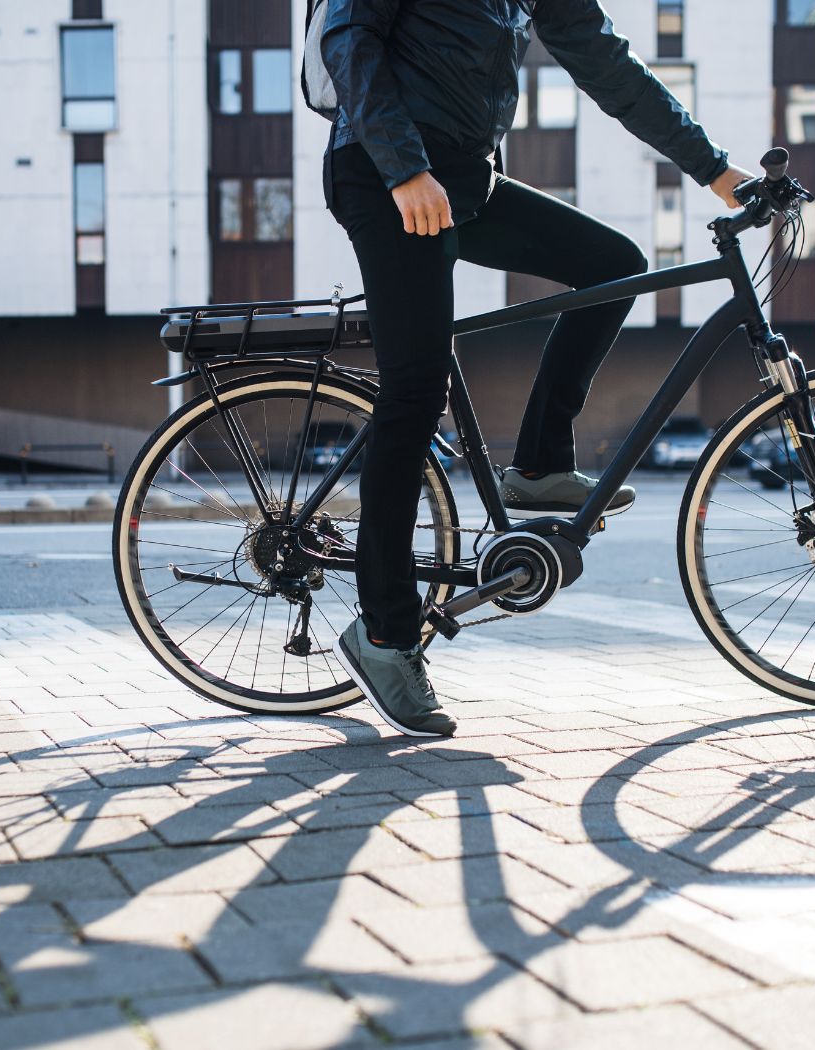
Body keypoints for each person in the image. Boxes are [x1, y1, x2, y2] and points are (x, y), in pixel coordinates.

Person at [321, 0, 753, 737]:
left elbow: (607, 64)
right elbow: (347, 38)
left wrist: (715, 170)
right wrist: (403, 169)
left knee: (611, 265)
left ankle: (540, 464)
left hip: (466, 179)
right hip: (385, 172)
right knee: (416, 394)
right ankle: (386, 636)